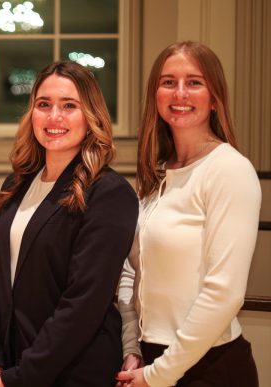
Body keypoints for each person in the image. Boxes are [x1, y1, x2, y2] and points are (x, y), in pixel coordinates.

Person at [0, 60, 139, 387]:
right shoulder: (17, 184)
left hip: (73, 372)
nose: (54, 117)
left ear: (90, 116)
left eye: (69, 106)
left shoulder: (109, 193)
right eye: (43, 105)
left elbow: (83, 304)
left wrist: (21, 377)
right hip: (9, 367)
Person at [116, 41, 261, 387]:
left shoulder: (229, 170)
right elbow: (131, 271)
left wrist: (159, 374)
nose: (180, 92)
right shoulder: (156, 176)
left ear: (215, 98)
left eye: (194, 82)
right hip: (149, 361)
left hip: (209, 367)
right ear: (155, 95)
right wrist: (132, 345)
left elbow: (225, 293)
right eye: (168, 82)